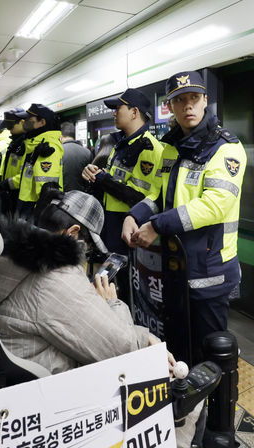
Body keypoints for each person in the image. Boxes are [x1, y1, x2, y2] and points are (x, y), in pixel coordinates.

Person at [122, 71, 247, 364]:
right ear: (170, 107)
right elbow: (157, 193)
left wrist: (156, 225)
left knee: (211, 352)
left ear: (205, 101)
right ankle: (185, 404)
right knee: (179, 347)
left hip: (210, 270)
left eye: (194, 98)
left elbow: (215, 205)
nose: (188, 106)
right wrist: (134, 215)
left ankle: (216, 407)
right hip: (175, 267)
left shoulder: (226, 148)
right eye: (180, 100)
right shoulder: (170, 147)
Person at [0, 189, 171, 374]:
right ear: (73, 232)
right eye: (87, 247)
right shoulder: (56, 274)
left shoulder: (8, 252)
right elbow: (123, 351)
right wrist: (112, 303)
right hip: (51, 391)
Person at [83, 88, 164, 303]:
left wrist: (103, 180)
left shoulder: (150, 149)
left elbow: (143, 198)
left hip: (129, 229)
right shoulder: (121, 145)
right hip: (111, 224)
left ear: (134, 112)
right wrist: (93, 176)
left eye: (118, 108)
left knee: (127, 289)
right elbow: (113, 183)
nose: (114, 113)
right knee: (113, 287)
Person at [0, 104, 64, 219]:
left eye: (29, 120)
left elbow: (47, 189)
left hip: (36, 211)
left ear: (42, 122)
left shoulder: (48, 147)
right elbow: (26, 178)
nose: (24, 122)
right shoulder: (33, 144)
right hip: (25, 205)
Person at [60, 122, 92, 192]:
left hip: (62, 197)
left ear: (60, 137)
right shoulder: (87, 152)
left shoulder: (58, 152)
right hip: (83, 197)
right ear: (74, 136)